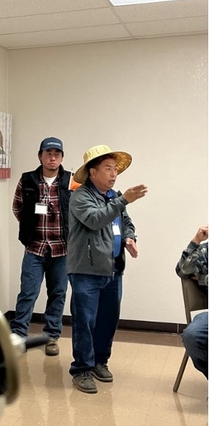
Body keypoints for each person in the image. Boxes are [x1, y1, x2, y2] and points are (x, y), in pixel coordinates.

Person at [67, 145, 147, 394]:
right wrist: (124, 200)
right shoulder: (80, 197)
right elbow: (95, 219)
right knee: (85, 322)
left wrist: (129, 238)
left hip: (113, 270)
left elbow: (126, 222)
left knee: (107, 321)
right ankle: (81, 369)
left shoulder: (113, 196)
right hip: (86, 272)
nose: (114, 174)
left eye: (115, 170)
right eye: (108, 169)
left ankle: (100, 362)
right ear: (93, 172)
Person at [11, 137, 72, 356]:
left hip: (62, 250)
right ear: (40, 156)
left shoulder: (71, 181)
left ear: (62, 157)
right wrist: (29, 230)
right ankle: (18, 336)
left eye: (57, 153)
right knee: (28, 293)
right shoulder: (27, 179)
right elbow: (17, 207)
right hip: (34, 248)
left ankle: (51, 337)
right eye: (48, 153)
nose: (52, 157)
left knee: (58, 293)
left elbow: (77, 212)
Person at [175, 226, 208, 379]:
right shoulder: (205, 251)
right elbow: (183, 271)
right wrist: (196, 241)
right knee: (192, 336)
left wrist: (203, 278)